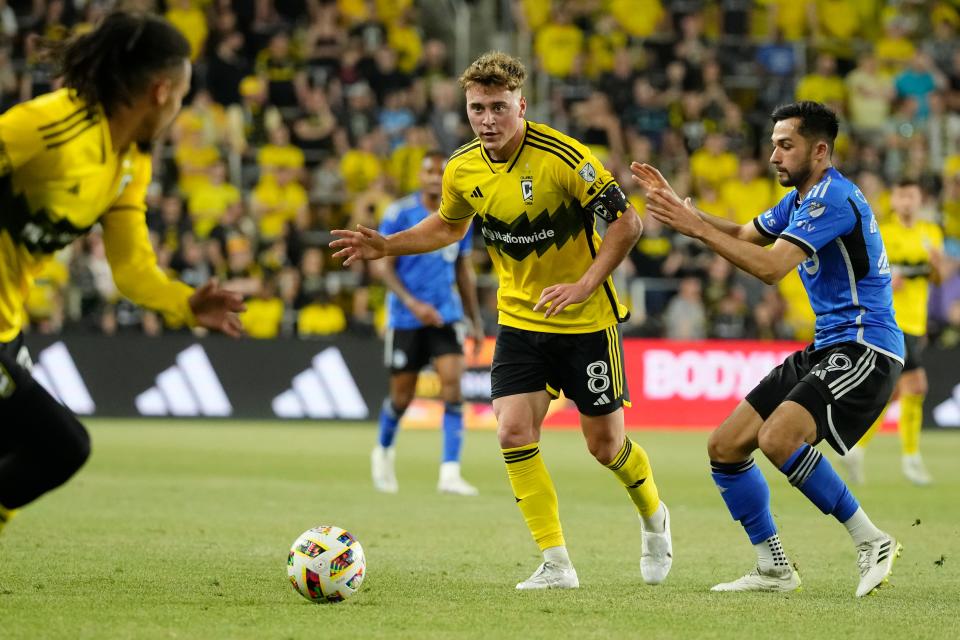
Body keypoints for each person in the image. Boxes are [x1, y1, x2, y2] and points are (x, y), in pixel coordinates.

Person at [332, 51, 672, 590]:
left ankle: (654, 518)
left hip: (586, 321)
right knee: (513, 431)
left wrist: (585, 283)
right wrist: (387, 245)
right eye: (476, 109)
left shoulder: (566, 157)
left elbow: (627, 224)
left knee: (605, 447)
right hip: (519, 320)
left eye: (497, 107)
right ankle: (556, 562)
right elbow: (448, 228)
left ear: (522, 105)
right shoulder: (462, 167)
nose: (486, 119)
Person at [632, 101, 903, 597]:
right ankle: (774, 566)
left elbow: (770, 267)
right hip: (828, 344)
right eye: (773, 144)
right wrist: (683, 209)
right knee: (726, 446)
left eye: (786, 145)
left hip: (866, 345)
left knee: (779, 438)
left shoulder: (832, 199)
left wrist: (694, 229)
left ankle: (872, 539)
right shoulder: (801, 200)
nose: (774, 155)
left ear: (819, 151)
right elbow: (741, 233)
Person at [0, 12, 245, 535]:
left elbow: (132, 266)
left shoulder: (131, 162)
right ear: (160, 92)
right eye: (180, 98)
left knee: (33, 449)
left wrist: (184, 303)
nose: (179, 111)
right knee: (59, 445)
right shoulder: (47, 126)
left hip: (6, 324)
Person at [371, 150, 485, 496]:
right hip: (406, 318)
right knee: (401, 398)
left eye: (441, 172)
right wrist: (412, 303)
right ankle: (384, 453)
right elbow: (382, 266)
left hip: (446, 316)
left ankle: (449, 473)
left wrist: (475, 320)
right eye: (429, 171)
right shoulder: (399, 214)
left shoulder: (460, 214)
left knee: (453, 387)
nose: (435, 177)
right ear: (420, 176)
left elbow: (462, 270)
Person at [841, 180, 947, 485]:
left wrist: (938, 266)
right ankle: (911, 459)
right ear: (894, 200)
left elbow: (936, 280)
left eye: (912, 196)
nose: (907, 201)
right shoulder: (883, 232)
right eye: (901, 195)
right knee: (918, 386)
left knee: (895, 392)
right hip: (890, 320)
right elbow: (868, 274)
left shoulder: (931, 233)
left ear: (920, 199)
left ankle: (856, 448)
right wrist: (888, 282)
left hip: (916, 323)